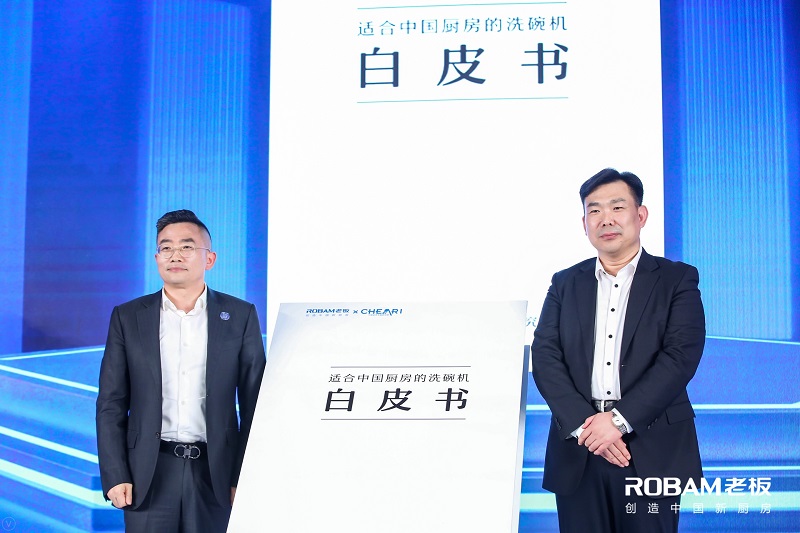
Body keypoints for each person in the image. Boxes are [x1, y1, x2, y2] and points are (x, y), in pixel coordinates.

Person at [530, 169, 705, 533]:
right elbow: (546, 357)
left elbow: (680, 357)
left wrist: (617, 422)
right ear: (584, 223)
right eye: (594, 210)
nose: (605, 219)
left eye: (617, 207)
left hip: (651, 448)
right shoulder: (564, 282)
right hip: (579, 448)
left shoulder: (676, 279)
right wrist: (587, 426)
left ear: (640, 215)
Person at [96, 209, 266, 532]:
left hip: (215, 473)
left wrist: (243, 476)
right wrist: (115, 474)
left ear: (209, 259)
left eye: (187, 247)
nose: (175, 255)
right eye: (166, 247)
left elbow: (255, 405)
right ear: (156, 258)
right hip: (148, 474)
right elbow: (110, 403)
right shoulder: (128, 317)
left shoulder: (240, 316)